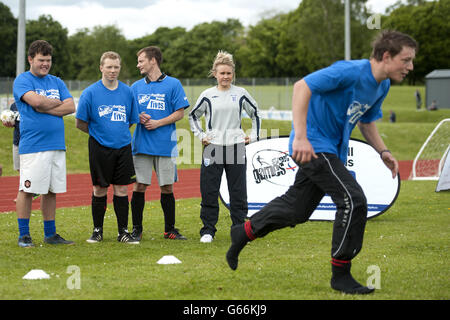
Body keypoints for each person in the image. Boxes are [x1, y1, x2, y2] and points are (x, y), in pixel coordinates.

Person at [226, 30, 417, 295]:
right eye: (406, 60)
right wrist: (301, 137)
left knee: (297, 209)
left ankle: (243, 232)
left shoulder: (382, 85)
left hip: (331, 151)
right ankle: (341, 274)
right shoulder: (350, 72)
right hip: (313, 145)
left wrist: (383, 151)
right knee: (353, 199)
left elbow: (366, 121)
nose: (410, 67)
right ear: (386, 56)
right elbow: (302, 87)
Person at [189, 51, 261, 243]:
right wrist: (202, 135)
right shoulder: (207, 95)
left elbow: (256, 114)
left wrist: (253, 136)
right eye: (222, 73)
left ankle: (239, 229)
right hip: (213, 147)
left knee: (237, 191)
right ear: (215, 73)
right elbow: (193, 116)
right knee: (209, 190)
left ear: (233, 74)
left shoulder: (241, 94)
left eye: (229, 73)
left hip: (236, 146)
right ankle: (208, 231)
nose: (225, 77)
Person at [13, 40, 76, 247]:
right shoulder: (22, 80)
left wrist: (45, 106)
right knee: (28, 189)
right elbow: (36, 102)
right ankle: (24, 235)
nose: (45, 64)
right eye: (41, 60)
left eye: (48, 60)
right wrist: (48, 103)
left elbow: (70, 106)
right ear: (30, 59)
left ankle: (50, 234)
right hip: (34, 146)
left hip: (56, 145)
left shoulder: (56, 82)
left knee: (51, 190)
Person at [75, 51, 140, 244]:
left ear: (120, 68)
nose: (113, 71)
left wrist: (116, 133)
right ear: (101, 68)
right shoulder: (90, 93)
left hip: (123, 146)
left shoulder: (127, 92)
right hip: (99, 147)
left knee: (121, 189)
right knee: (100, 189)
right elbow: (80, 123)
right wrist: (100, 134)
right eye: (109, 67)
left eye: (116, 67)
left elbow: (130, 121)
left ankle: (123, 232)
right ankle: (97, 231)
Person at [130, 46, 190, 241]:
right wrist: (138, 116)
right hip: (141, 146)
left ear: (153, 60)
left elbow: (180, 113)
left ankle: (169, 230)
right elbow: (129, 113)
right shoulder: (136, 87)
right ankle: (136, 230)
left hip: (165, 145)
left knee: (167, 187)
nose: (138, 64)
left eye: (141, 61)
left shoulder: (173, 84)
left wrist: (158, 123)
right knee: (139, 186)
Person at [2, 102, 40, 202]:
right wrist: (9, 124)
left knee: (27, 169)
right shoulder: (13, 106)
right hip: (17, 142)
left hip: (29, 141)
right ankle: (32, 191)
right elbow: (15, 124)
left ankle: (28, 193)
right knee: (19, 169)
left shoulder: (30, 105)